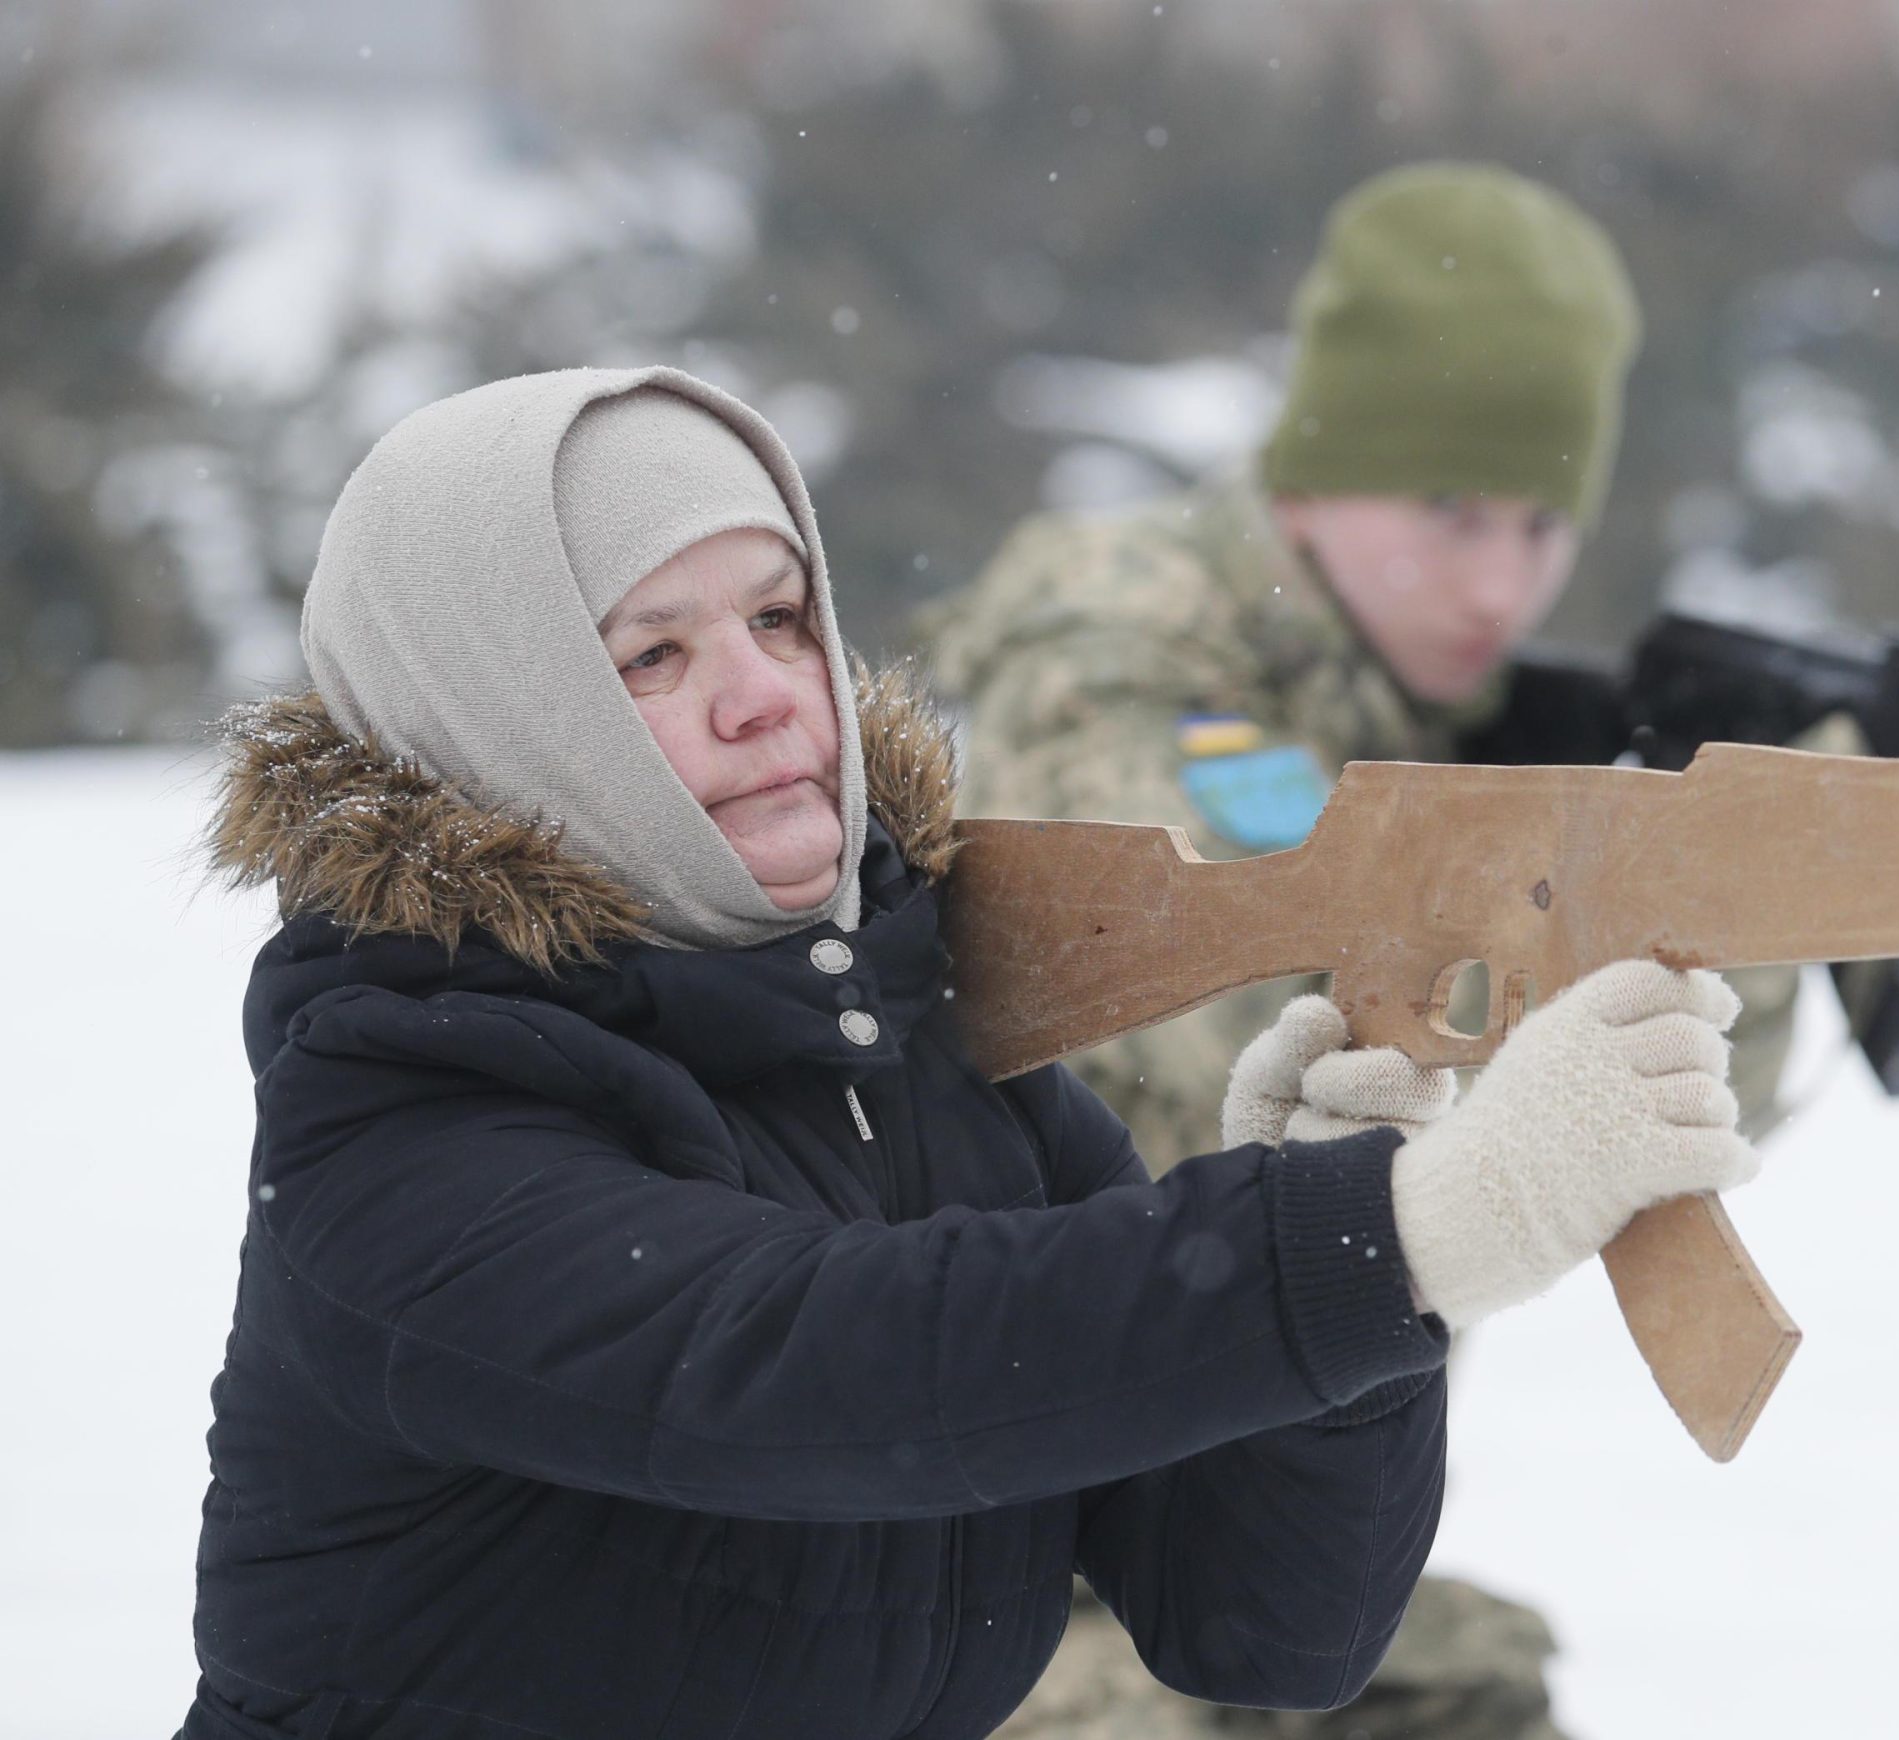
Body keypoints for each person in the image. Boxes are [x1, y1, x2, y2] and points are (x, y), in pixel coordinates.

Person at [187, 364, 1760, 1739]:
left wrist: (1350, 1266)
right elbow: (812, 1366)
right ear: (488, 714)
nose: (764, 698)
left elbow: (1261, 1624)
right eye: (649, 655)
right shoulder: (402, 1119)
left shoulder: (925, 1052)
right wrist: (1406, 1232)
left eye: (779, 617)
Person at [933, 163, 1804, 1739]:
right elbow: (1268, 1022)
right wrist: (1628, 910)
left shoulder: (1424, 707)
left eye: (1542, 524)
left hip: (1246, 1541)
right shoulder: (1123, 644)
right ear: (1317, 474)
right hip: (986, 1553)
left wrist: (1767, 916)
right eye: (1449, 510)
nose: (1499, 583)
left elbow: (1659, 1128)